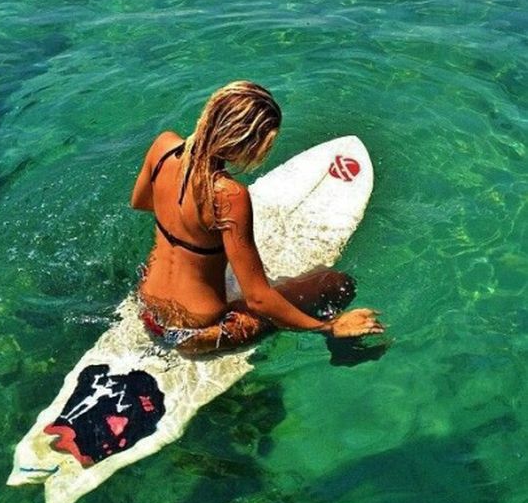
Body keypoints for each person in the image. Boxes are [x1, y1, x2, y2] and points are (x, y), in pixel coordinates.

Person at [130, 80, 384, 355]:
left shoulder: (163, 147)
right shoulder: (229, 195)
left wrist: (192, 235)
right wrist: (327, 326)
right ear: (246, 143)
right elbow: (258, 299)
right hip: (200, 331)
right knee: (337, 284)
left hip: (148, 303)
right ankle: (339, 348)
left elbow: (142, 202)